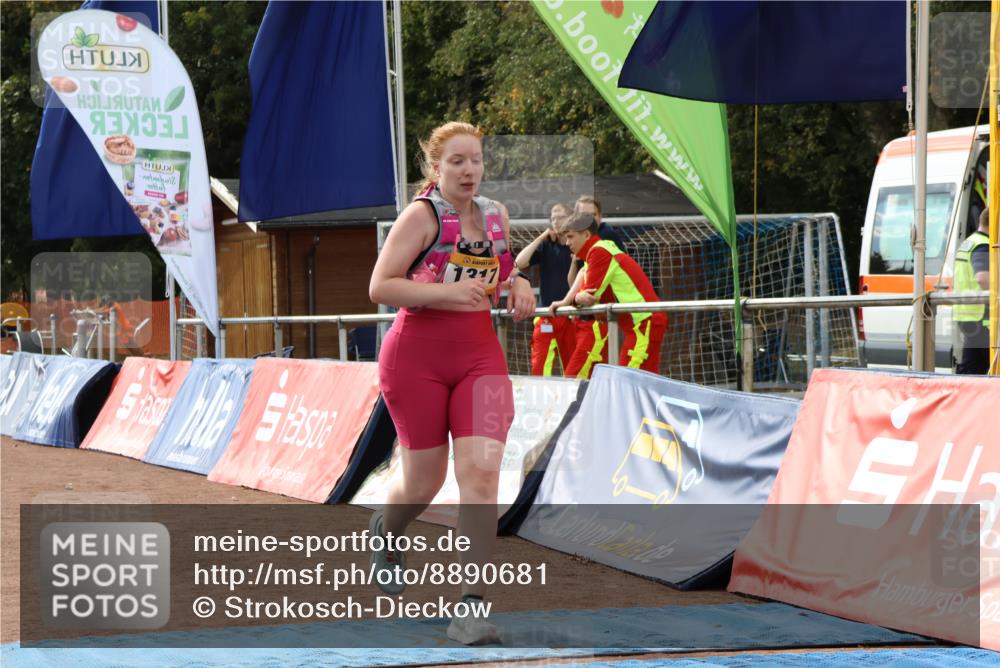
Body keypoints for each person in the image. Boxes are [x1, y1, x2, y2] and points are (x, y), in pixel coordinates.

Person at [368, 121, 535, 645]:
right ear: (436, 168)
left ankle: (471, 608)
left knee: (481, 478)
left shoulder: (495, 216)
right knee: (425, 482)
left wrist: (522, 284)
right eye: (457, 161)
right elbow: (379, 286)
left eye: (476, 160)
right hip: (415, 357)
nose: (469, 170)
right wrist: (445, 296)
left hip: (481, 360)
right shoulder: (420, 217)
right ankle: (386, 531)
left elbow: (500, 274)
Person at [550, 212, 667, 374]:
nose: (567, 243)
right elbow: (586, 280)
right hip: (642, 323)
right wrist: (571, 299)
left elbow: (589, 297)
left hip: (644, 322)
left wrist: (574, 299)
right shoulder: (597, 251)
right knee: (643, 383)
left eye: (571, 237)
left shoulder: (598, 251)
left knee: (626, 382)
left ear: (586, 234)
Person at [514, 203, 577, 375]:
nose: (555, 221)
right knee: (539, 367)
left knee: (573, 367)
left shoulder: (578, 246)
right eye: (553, 218)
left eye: (560, 217)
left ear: (571, 219)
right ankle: (540, 401)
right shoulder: (547, 245)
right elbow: (519, 262)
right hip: (546, 315)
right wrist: (541, 237)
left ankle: (574, 401)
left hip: (572, 315)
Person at [954, 208, 991, 374]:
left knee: (973, 369)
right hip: (982, 318)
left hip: (968, 315)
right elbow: (982, 278)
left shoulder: (969, 242)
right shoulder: (983, 245)